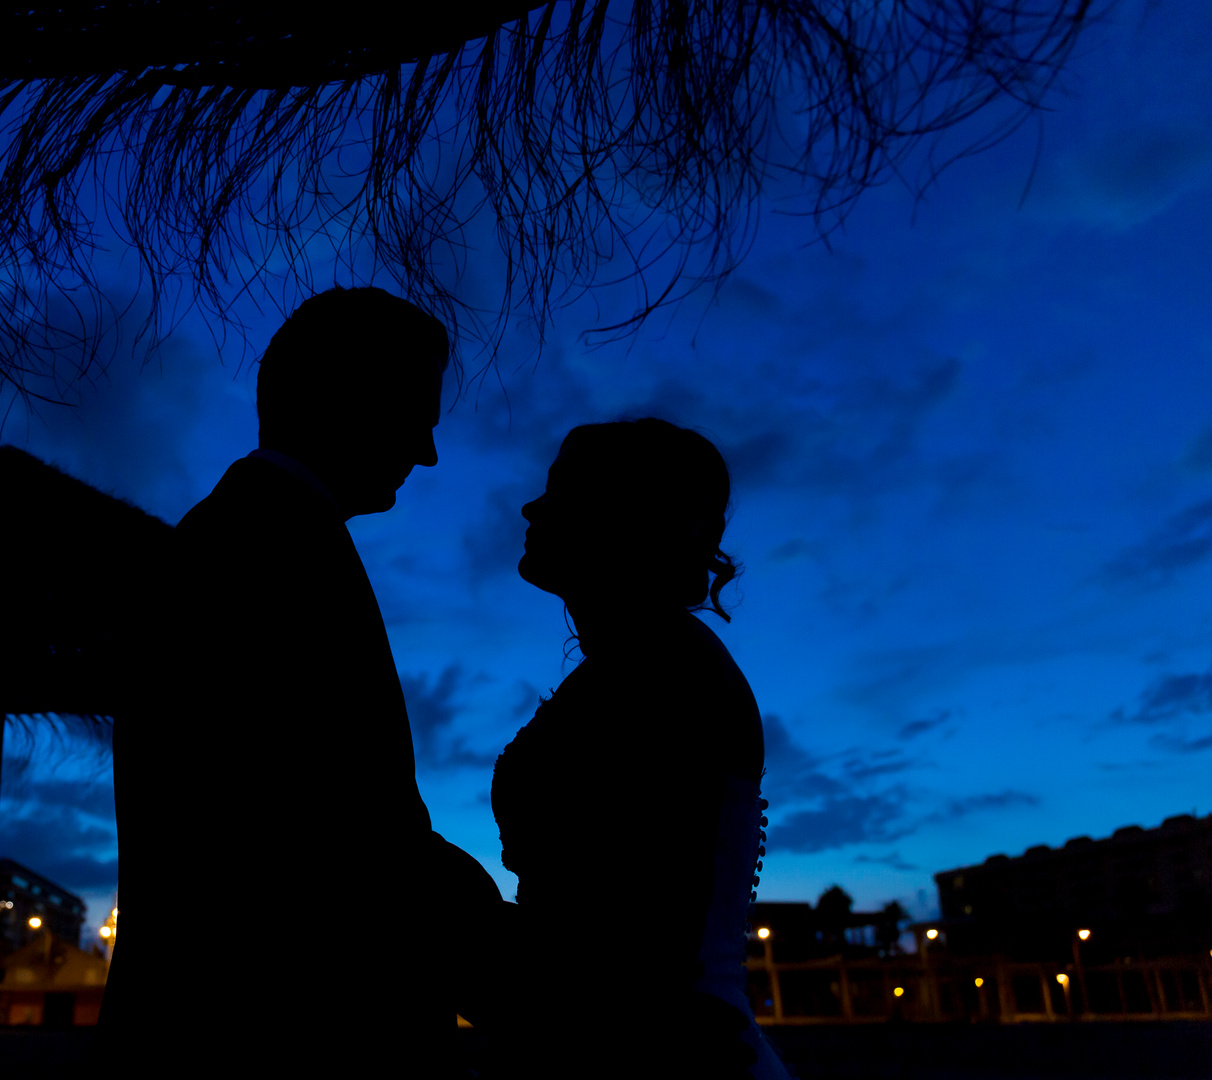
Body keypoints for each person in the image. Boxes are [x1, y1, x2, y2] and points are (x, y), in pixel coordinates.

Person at [99, 286, 501, 1077]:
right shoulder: (270, 549)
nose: (428, 451)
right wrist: (556, 992)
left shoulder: (251, 533)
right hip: (278, 1040)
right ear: (344, 395)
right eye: (418, 412)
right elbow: (345, 826)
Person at [485, 418, 790, 1078]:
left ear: (626, 516)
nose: (531, 508)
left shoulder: (664, 672)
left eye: (560, 491)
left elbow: (621, 952)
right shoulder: (642, 663)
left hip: (657, 1060)